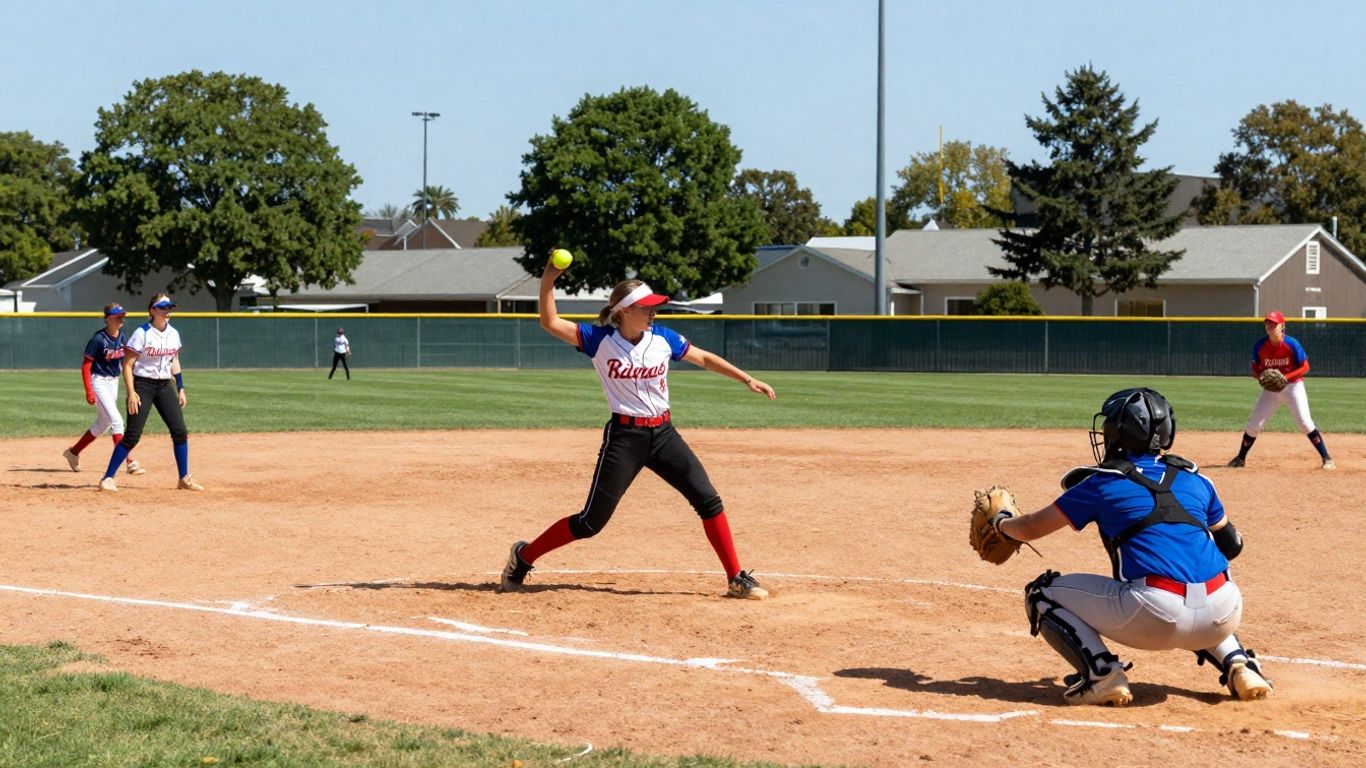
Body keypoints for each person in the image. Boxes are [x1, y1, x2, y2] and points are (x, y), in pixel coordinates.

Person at [499, 255, 777, 599]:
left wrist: (746, 379)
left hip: (664, 435)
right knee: (590, 523)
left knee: (708, 500)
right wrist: (547, 282)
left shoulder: (662, 338)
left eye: (654, 307)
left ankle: (736, 576)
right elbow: (550, 321)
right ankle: (523, 556)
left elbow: (703, 357)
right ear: (625, 311)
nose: (653, 312)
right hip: (625, 439)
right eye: (646, 307)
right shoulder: (598, 339)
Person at [985, 388, 1272, 706]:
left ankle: (1103, 676)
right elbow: (1231, 545)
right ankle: (1240, 664)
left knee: (1041, 594)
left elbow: (1027, 529)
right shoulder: (1197, 479)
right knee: (1200, 581)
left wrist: (1001, 523)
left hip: (1154, 614)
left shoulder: (1101, 483)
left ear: (1117, 433)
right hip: (1225, 612)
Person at [97, 294, 203, 492]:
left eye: (169, 307)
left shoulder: (173, 334)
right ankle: (107, 478)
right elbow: (127, 365)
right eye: (163, 307)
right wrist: (131, 393)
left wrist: (180, 388)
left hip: (164, 386)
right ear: (152, 310)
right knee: (132, 435)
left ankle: (184, 478)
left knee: (180, 431)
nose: (167, 311)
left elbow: (175, 362)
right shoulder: (142, 333)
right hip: (143, 385)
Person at [1227, 310, 1333, 470]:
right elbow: (1254, 369)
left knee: (1304, 422)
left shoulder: (1291, 344)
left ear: (1282, 326)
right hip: (1272, 390)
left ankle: (1327, 459)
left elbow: (1305, 366)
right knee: (1254, 424)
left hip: (1293, 386)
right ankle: (1240, 458)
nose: (1270, 326)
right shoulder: (1260, 345)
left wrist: (1286, 377)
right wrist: (1260, 378)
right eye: (1268, 323)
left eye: (1273, 323)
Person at [62, 304, 144, 477]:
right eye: (117, 316)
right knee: (117, 421)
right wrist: (89, 390)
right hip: (98, 382)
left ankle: (73, 452)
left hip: (113, 382)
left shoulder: (122, 337)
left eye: (122, 316)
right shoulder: (98, 339)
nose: (121, 318)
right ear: (107, 318)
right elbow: (86, 366)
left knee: (103, 424)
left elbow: (125, 364)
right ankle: (128, 461)